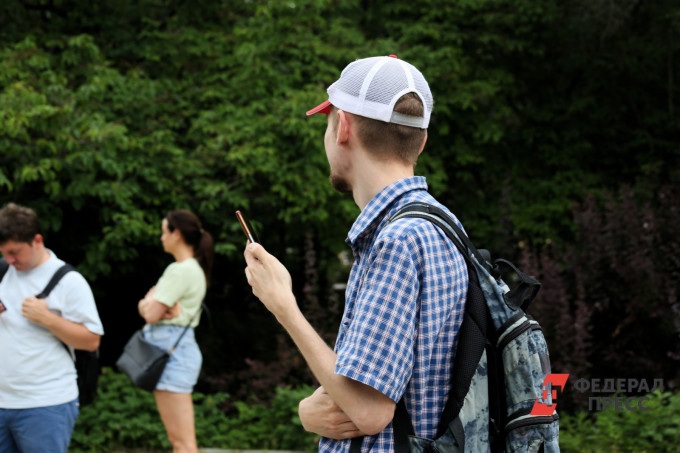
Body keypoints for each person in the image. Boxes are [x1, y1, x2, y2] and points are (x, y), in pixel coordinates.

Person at [243, 55, 469, 453]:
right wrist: (310, 411)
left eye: (328, 124)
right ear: (421, 141)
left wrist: (283, 306)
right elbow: (387, 384)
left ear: (343, 127)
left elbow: (368, 410)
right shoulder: (441, 224)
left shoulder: (397, 241)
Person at [0, 202, 104, 453]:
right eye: (4, 253)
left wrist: (47, 318)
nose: (10, 259)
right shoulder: (3, 272)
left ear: (37, 240)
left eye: (15, 252)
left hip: (46, 404)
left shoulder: (69, 281)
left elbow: (91, 340)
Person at [137, 209, 214, 453]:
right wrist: (149, 304)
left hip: (172, 354)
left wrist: (149, 302)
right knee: (180, 442)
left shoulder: (181, 270)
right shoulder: (191, 269)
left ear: (176, 234)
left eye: (164, 232)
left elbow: (149, 313)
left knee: (183, 444)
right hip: (176, 351)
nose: (161, 238)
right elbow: (150, 309)